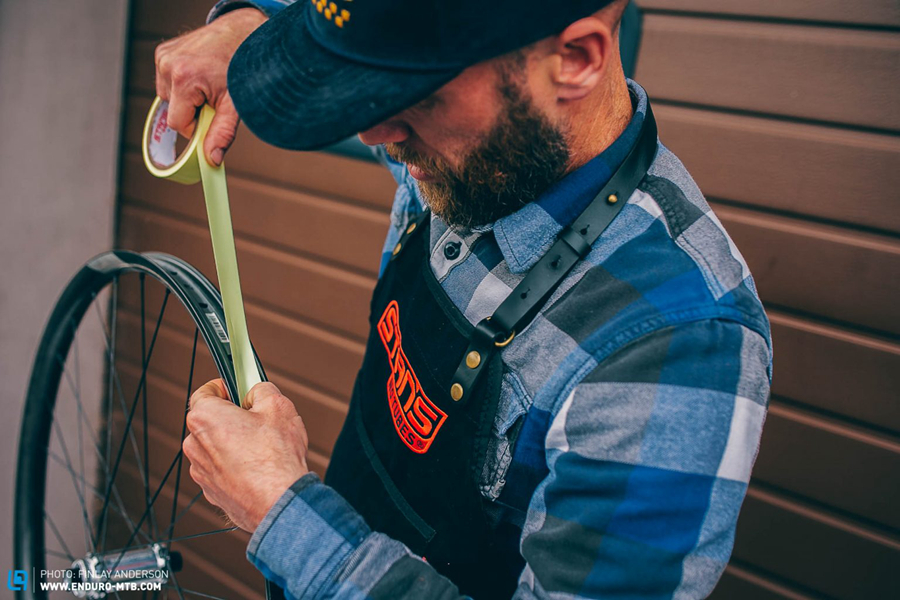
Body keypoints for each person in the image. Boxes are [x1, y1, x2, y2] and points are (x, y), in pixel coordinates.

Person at [168, 1, 774, 598]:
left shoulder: (678, 344)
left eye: (420, 92)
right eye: (372, 89)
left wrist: (281, 511)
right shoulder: (471, 150)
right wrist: (252, 24)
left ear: (574, 59)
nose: (376, 132)